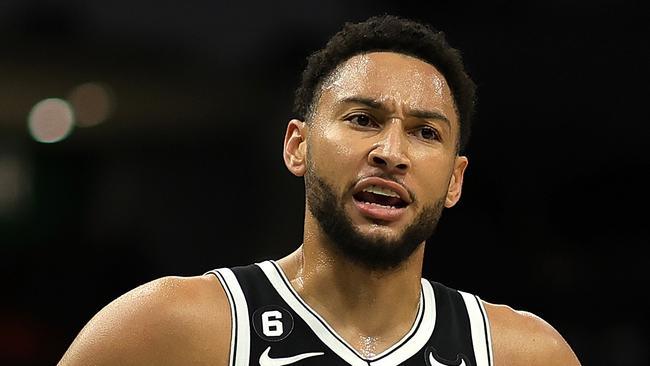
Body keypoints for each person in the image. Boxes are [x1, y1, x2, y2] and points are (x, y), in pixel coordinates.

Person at [58, 15, 582, 366]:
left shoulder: (522, 353)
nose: (391, 152)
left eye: (426, 132)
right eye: (362, 118)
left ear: (455, 180)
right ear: (297, 147)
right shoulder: (174, 327)